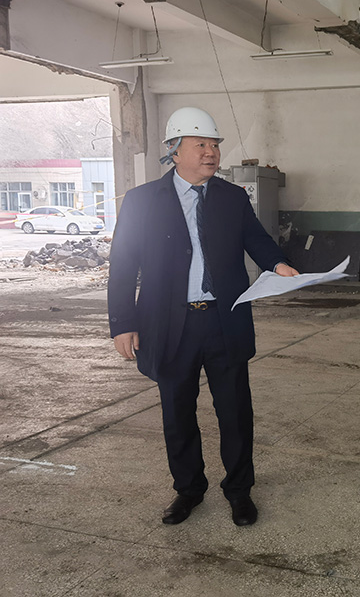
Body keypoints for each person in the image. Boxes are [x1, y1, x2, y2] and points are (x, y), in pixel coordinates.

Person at [108, 107, 298, 527]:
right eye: (201, 145)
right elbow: (122, 265)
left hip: (222, 320)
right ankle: (188, 490)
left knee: (235, 411)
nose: (211, 153)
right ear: (174, 151)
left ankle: (239, 491)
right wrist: (123, 323)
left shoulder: (232, 197)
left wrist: (278, 264)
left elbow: (257, 239)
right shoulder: (142, 201)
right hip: (168, 325)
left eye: (214, 145)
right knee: (177, 413)